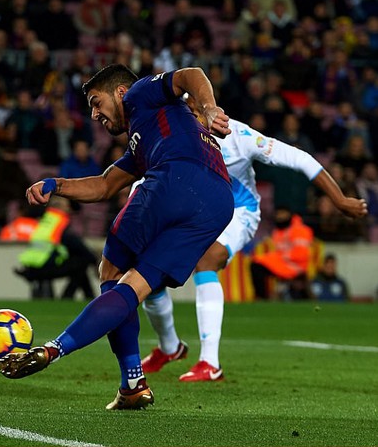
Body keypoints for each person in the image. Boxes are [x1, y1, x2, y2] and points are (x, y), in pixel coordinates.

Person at [0, 65, 235, 410]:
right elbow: (106, 184)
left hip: (175, 178)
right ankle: (132, 390)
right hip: (217, 202)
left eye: (97, 103)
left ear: (120, 93)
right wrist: (56, 185)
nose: (95, 115)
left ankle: (102, 366)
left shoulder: (140, 94)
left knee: (110, 270)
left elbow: (190, 75)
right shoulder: (147, 137)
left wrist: (209, 106)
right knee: (135, 286)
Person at [141, 101, 367, 381]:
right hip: (195, 213)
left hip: (239, 212)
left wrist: (339, 200)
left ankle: (210, 363)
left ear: (206, 111)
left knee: (207, 259)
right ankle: (170, 347)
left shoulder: (239, 137)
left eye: (189, 113)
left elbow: (299, 158)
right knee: (147, 268)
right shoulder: (171, 136)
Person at [14, 196, 98, 300]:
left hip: (32, 265)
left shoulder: (45, 219)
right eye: (68, 206)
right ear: (62, 207)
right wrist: (95, 260)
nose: (70, 209)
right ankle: (68, 297)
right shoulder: (60, 221)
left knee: (80, 263)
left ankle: (89, 297)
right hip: (45, 266)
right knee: (82, 262)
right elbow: (77, 245)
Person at [251, 206, 315, 301]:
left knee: (257, 265)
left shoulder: (300, 230)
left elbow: (302, 254)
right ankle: (262, 297)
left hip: (295, 266)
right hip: (285, 263)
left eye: (282, 214)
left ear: (289, 215)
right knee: (257, 263)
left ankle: (262, 298)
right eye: (278, 214)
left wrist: (283, 256)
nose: (279, 216)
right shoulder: (278, 231)